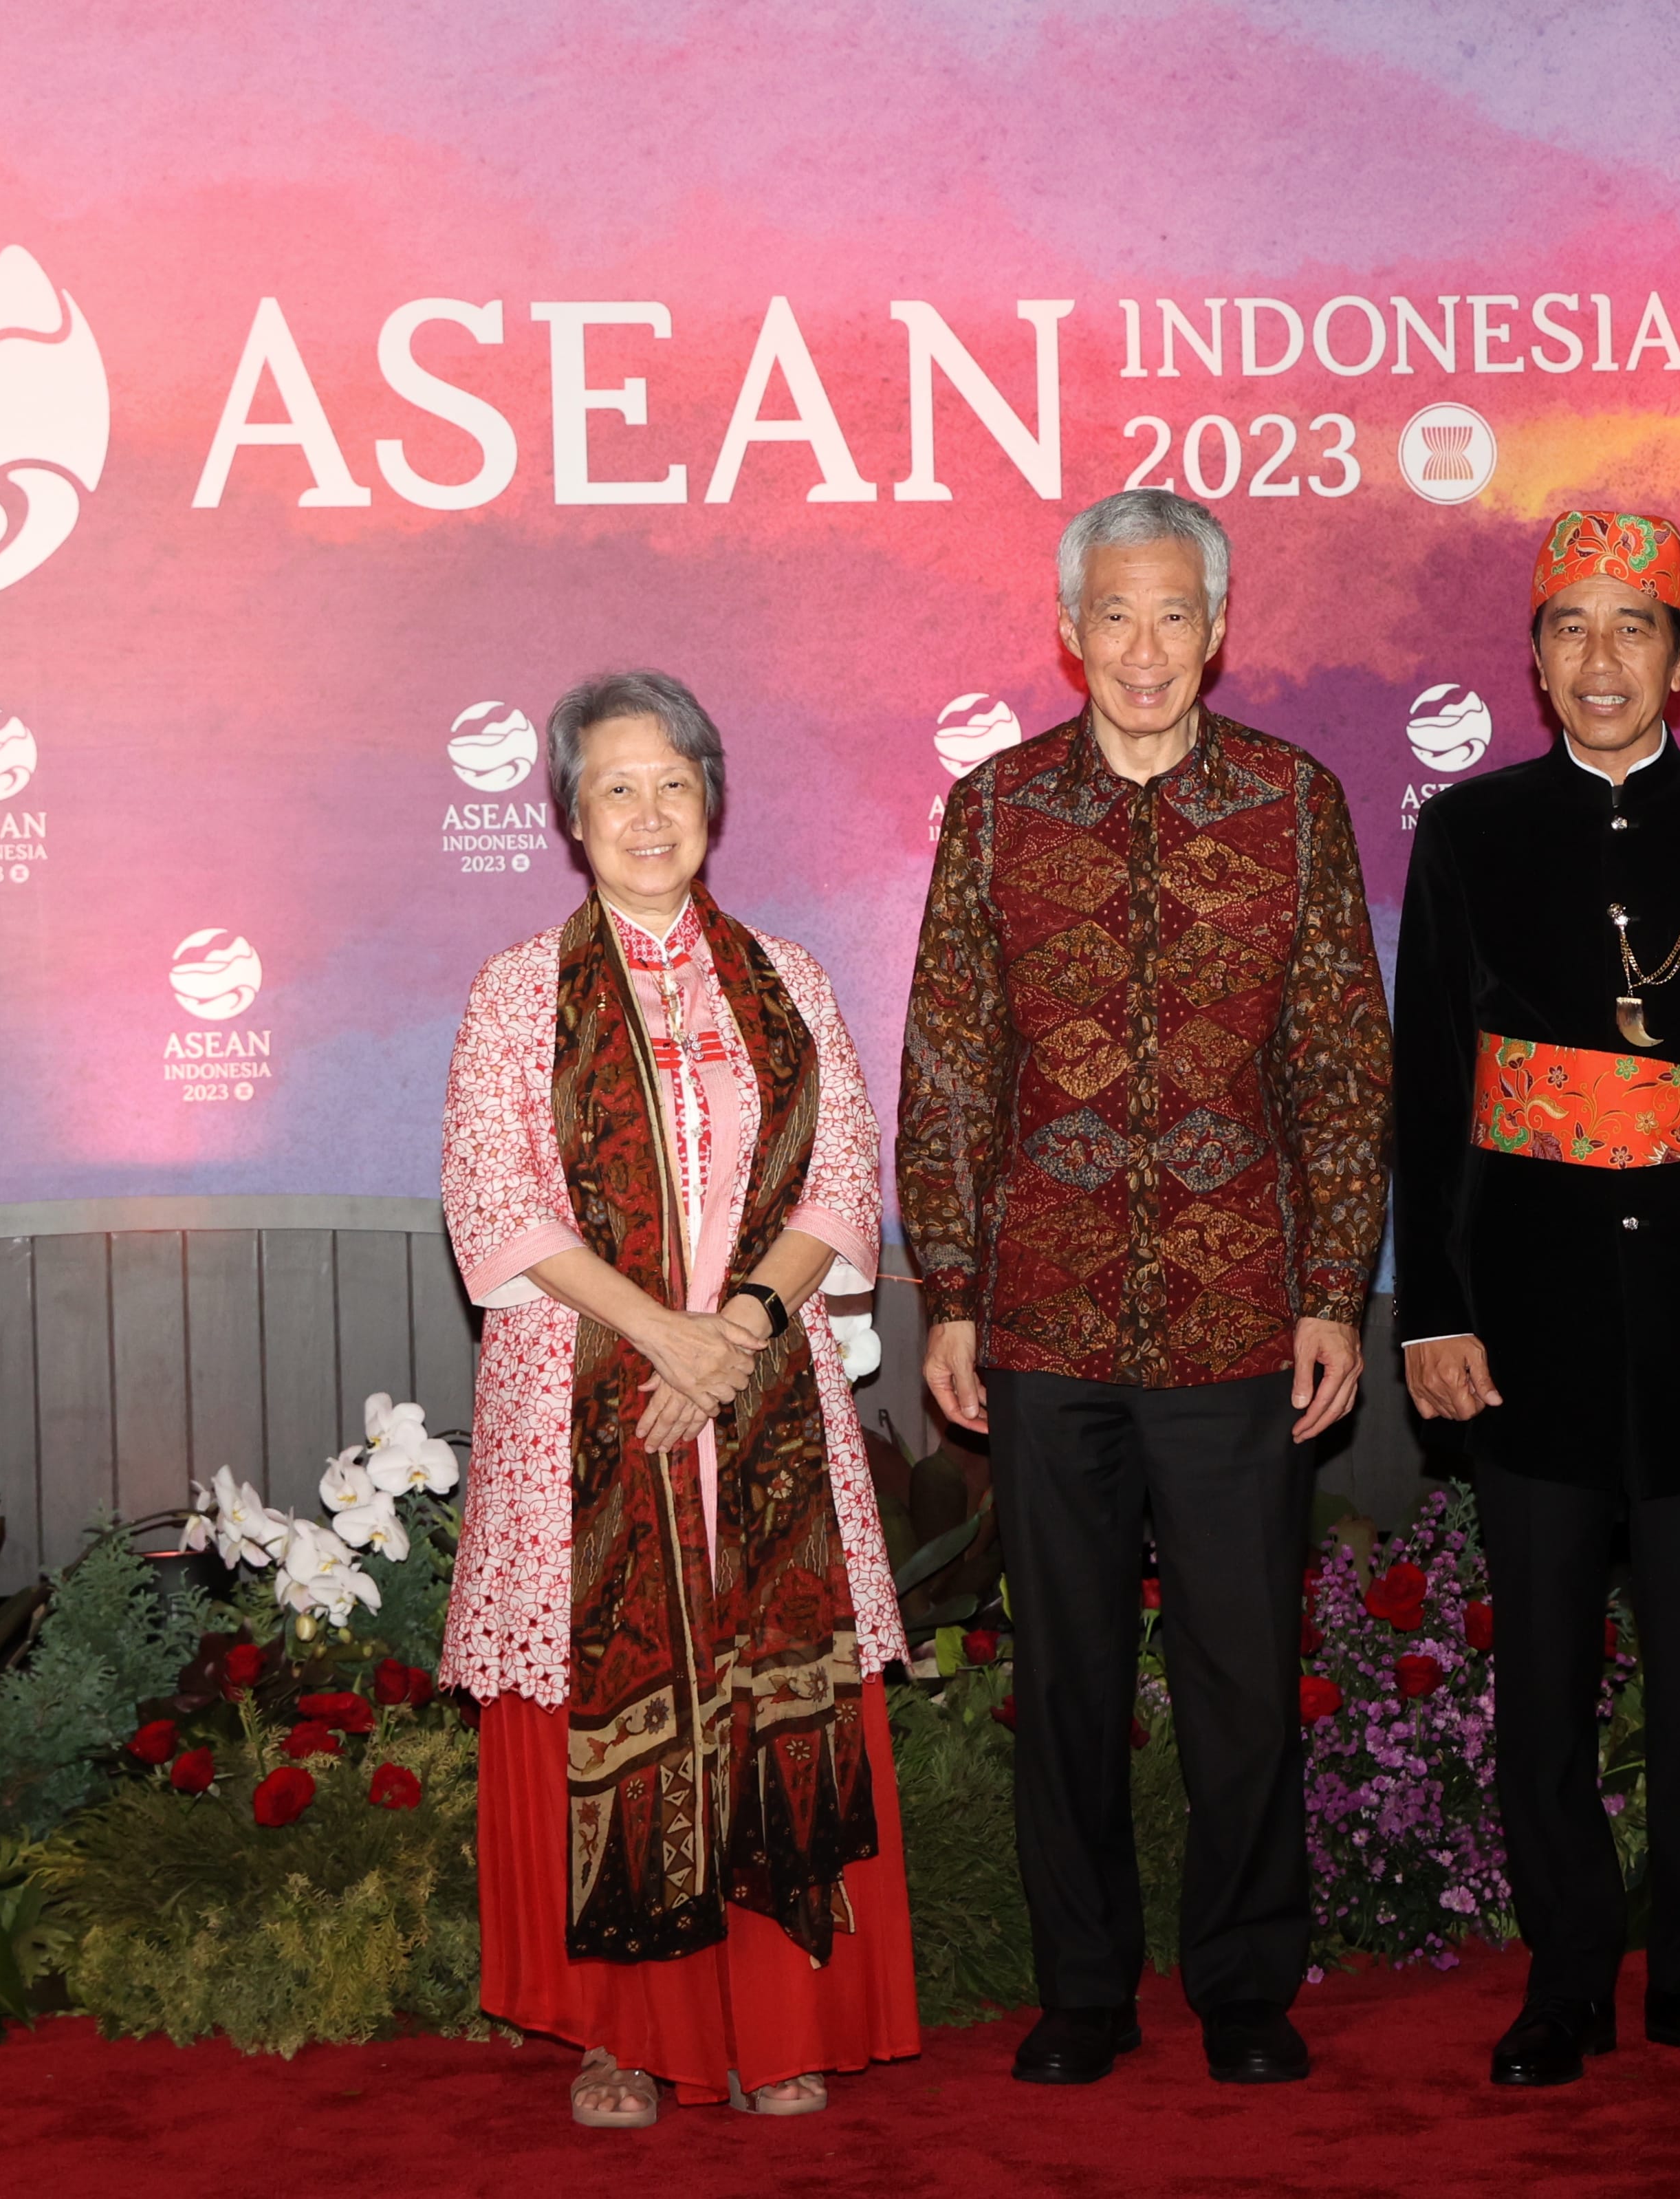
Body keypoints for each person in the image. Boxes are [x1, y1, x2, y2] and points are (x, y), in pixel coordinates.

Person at [897, 487, 1393, 2088]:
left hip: (1241, 1309)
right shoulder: (992, 811)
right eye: (1113, 613)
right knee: (1066, 1678)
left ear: (1219, 630)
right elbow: (950, 1063)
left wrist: (1332, 1287)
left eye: (1174, 614)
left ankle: (1247, 1984)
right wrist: (950, 1290)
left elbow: (1336, 1059)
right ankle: (1085, 1989)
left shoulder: (1293, 804)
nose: (1143, 647)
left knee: (1246, 1670)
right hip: (1039, 1312)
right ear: (1069, 629)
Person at [1395, 511, 1680, 2088]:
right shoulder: (1465, 835)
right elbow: (1422, 1091)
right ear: (1530, 661)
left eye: (1632, 626)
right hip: (1519, 1319)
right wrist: (1434, 1313)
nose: (1600, 657)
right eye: (1569, 628)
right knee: (1538, 1679)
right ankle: (1567, 1979)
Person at [436, 670, 917, 2126]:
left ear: (712, 800)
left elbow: (843, 1185)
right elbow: (495, 1205)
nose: (649, 814)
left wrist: (745, 1326)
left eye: (673, 783)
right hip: (588, 1405)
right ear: (571, 820)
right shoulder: (520, 992)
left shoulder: (789, 981)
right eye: (615, 789)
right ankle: (619, 2032)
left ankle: (779, 2023)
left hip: (762, 1395)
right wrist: (664, 1339)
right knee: (603, 1696)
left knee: (773, 1687)